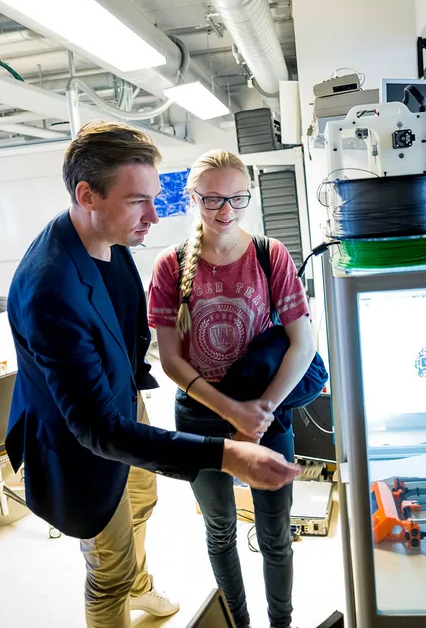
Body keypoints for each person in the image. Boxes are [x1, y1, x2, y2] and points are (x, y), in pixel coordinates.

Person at [5, 121, 300, 628]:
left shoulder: (110, 239)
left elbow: (126, 339)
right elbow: (96, 429)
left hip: (122, 406)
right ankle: (124, 587)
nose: (154, 215)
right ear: (87, 195)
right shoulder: (50, 290)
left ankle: (139, 588)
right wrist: (227, 452)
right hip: (82, 440)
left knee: (142, 500)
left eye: (156, 198)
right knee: (109, 568)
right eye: (138, 201)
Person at [147, 150, 317, 628]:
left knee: (275, 533)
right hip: (200, 414)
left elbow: (303, 344)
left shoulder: (269, 254)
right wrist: (232, 414)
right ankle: (238, 623)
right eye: (213, 199)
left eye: (238, 198)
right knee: (220, 529)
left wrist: (256, 416)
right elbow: (172, 361)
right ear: (192, 197)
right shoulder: (170, 265)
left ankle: (281, 623)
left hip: (267, 409)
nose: (226, 211)